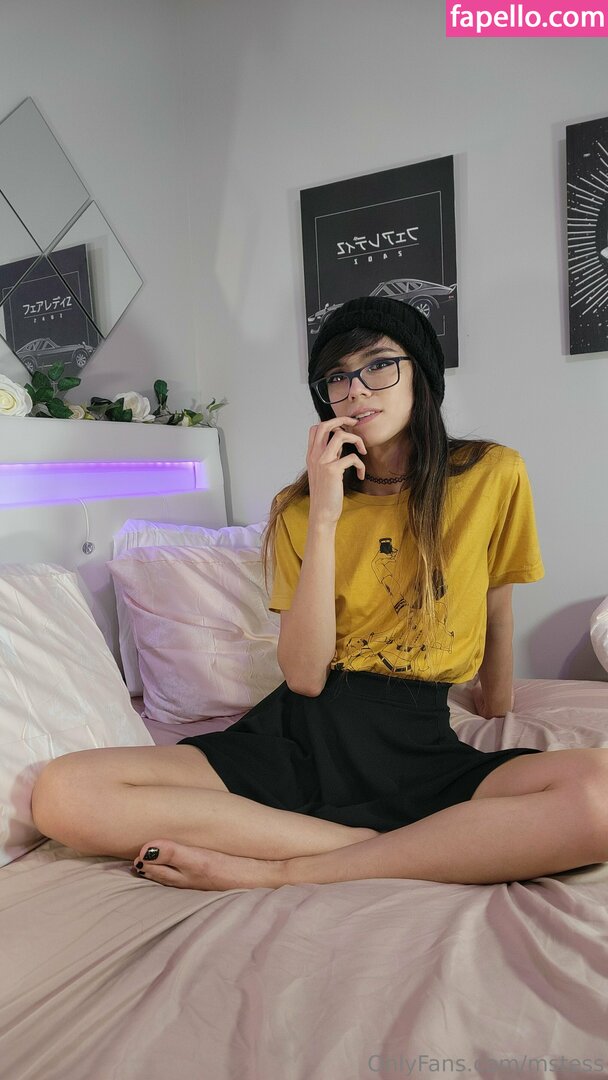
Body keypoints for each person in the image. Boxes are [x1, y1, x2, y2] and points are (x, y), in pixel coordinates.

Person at [31, 296, 608, 892]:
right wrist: (326, 515)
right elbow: (305, 676)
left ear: (422, 375)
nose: (355, 390)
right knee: (63, 794)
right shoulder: (299, 508)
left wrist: (498, 707)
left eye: (378, 365)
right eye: (337, 377)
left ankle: (287, 865)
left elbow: (496, 606)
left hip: (418, 740)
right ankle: (385, 847)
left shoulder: (491, 474)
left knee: (601, 795)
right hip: (299, 734)